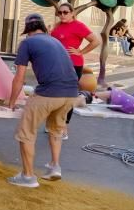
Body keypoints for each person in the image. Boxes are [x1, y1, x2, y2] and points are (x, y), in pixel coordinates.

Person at [6, 14, 79, 188]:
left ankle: (28, 177)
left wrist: (11, 101)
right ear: (43, 27)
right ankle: (55, 166)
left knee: (26, 133)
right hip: (71, 93)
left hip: (49, 93)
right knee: (56, 129)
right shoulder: (55, 41)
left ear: (27, 30)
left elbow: (19, 77)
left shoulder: (27, 43)